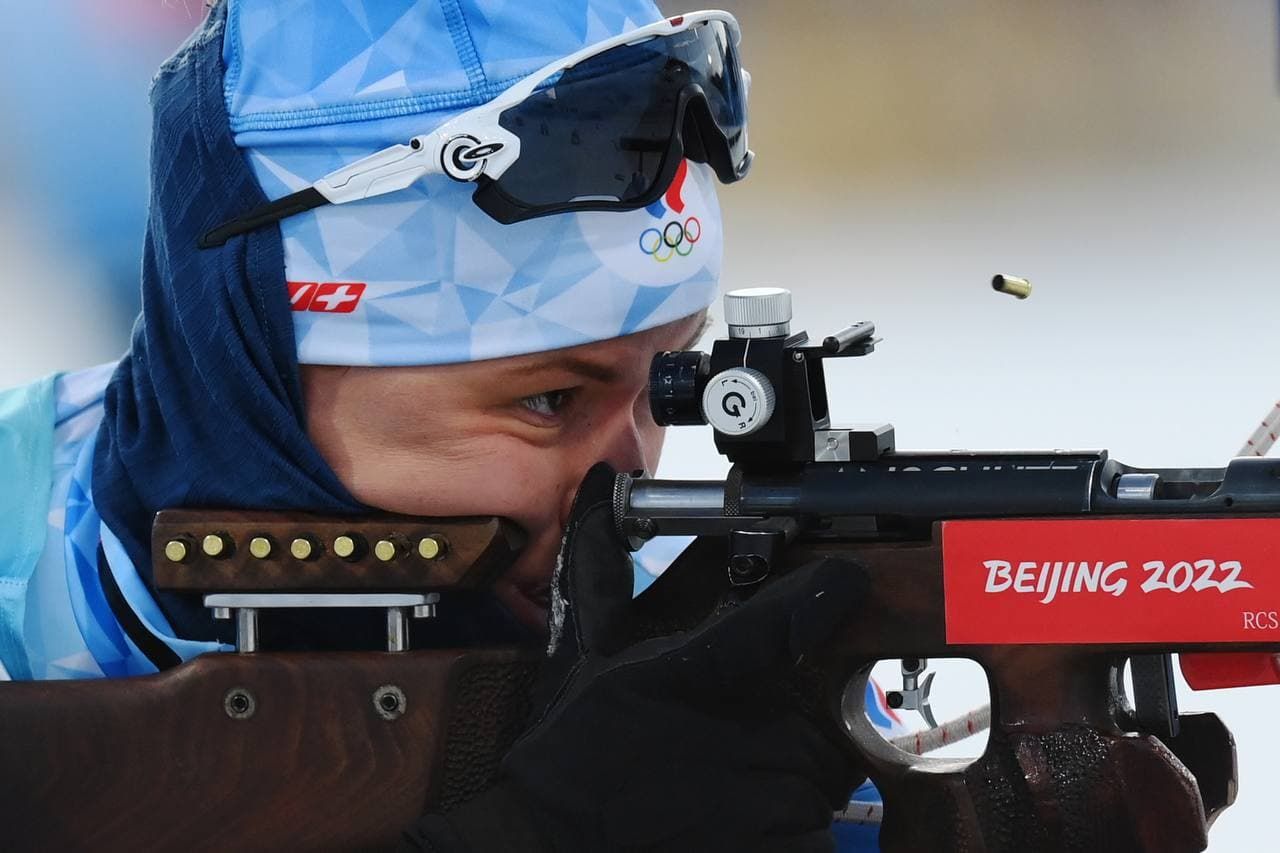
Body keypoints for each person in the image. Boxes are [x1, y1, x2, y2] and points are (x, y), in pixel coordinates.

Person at [0, 1, 890, 849]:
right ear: (251, 364)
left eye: (664, 387)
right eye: (548, 401)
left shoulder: (695, 667)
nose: (629, 483)